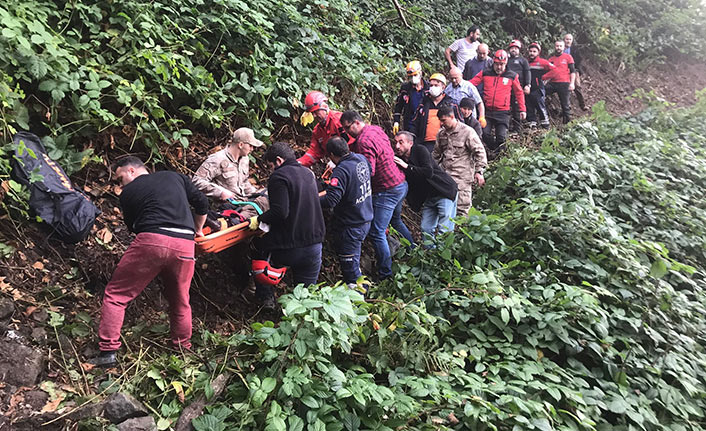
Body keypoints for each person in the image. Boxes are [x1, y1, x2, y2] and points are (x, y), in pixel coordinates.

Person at [90, 157, 208, 367]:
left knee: (116, 295)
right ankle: (182, 352)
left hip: (151, 240)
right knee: (180, 300)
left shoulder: (129, 193)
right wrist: (198, 229)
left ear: (132, 170)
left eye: (121, 178)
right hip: (185, 244)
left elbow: (133, 227)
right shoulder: (175, 177)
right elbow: (202, 203)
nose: (121, 184)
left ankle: (108, 353)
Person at [249, 142, 325, 310]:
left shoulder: (279, 177)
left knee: (258, 249)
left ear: (278, 160)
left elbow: (280, 212)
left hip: (290, 245)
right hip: (315, 244)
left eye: (270, 166)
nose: (271, 170)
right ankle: (300, 325)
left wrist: (259, 219)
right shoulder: (308, 173)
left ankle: (265, 298)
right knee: (306, 297)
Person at [339, 111, 413, 280]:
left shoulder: (363, 142)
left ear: (357, 123)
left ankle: (385, 274)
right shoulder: (375, 129)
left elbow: (368, 171)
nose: (347, 132)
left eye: (348, 127)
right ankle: (414, 251)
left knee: (376, 232)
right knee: (395, 220)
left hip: (387, 189)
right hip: (400, 183)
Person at [319, 137, 373, 286]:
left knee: (350, 268)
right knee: (353, 260)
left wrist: (309, 201)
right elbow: (369, 173)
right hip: (365, 217)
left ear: (331, 154)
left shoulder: (341, 171)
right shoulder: (360, 159)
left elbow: (331, 200)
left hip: (352, 226)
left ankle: (359, 300)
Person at [393, 131, 458, 242]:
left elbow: (428, 172)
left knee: (444, 230)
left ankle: (444, 257)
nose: (397, 146)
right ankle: (431, 255)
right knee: (425, 229)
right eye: (395, 143)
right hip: (429, 197)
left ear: (410, 143)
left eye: (401, 142)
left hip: (443, 191)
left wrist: (407, 167)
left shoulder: (420, 150)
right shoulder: (400, 159)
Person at [192, 127, 269, 218]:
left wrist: (257, 192)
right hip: (228, 207)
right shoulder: (217, 159)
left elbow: (244, 183)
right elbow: (196, 181)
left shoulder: (245, 159)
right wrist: (220, 192)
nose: (252, 149)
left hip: (245, 202)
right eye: (250, 146)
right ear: (240, 145)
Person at [433, 106, 487, 217]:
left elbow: (480, 152)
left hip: (462, 177)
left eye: (444, 120)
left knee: (462, 210)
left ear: (452, 117)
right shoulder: (441, 134)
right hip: (445, 177)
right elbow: (436, 154)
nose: (442, 123)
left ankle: (462, 233)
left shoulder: (467, 132)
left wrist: (479, 172)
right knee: (445, 210)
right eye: (440, 121)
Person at [470, 50, 526, 154]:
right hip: (487, 111)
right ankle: (494, 150)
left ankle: (500, 156)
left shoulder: (512, 75)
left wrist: (522, 109)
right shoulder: (485, 73)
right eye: (497, 64)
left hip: (503, 112)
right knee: (484, 134)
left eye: (502, 64)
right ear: (493, 62)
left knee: (501, 137)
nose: (499, 67)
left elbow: (519, 93)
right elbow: (471, 84)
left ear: (506, 63)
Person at [297, 91, 351, 167]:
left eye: (316, 112)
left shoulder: (339, 120)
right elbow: (314, 153)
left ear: (324, 107)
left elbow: (353, 143)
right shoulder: (317, 131)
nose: (314, 116)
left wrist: (339, 159)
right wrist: (298, 163)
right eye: (312, 113)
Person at [410, 73, 461, 153]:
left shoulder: (451, 104)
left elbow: (460, 124)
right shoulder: (424, 102)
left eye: (436, 85)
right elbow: (415, 123)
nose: (433, 88)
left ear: (443, 87)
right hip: (426, 143)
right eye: (431, 85)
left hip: (447, 143)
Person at [393, 60, 429, 134]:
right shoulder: (405, 88)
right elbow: (398, 106)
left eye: (415, 75)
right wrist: (396, 121)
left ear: (421, 73)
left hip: (424, 123)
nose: (413, 78)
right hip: (409, 123)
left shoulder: (428, 88)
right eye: (410, 76)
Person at [545, 40, 576, 124]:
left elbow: (573, 71)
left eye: (560, 46)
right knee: (540, 92)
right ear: (555, 47)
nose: (558, 48)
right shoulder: (551, 59)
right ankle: (544, 116)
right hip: (553, 83)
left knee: (565, 105)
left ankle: (567, 125)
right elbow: (547, 72)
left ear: (563, 47)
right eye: (557, 46)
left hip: (564, 83)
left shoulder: (568, 57)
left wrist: (572, 83)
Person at [526, 42, 554, 128]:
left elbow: (554, 70)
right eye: (530, 51)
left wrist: (544, 77)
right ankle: (532, 123)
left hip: (538, 88)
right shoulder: (526, 62)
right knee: (529, 106)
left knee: (540, 105)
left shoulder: (542, 62)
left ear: (538, 52)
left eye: (534, 51)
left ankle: (545, 124)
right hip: (528, 88)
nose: (532, 53)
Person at [507, 40, 531, 132]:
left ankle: (517, 128)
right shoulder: (507, 60)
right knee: (507, 107)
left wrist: (527, 85)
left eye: (516, 48)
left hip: (519, 87)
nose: (514, 50)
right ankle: (507, 126)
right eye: (512, 48)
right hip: (507, 87)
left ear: (519, 50)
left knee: (517, 108)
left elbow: (527, 72)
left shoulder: (523, 60)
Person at [563, 33, 587, 110]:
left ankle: (582, 105)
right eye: (567, 39)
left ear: (572, 40)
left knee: (577, 86)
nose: (568, 41)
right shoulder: (561, 48)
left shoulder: (574, 49)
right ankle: (567, 106)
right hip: (563, 70)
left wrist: (575, 67)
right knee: (565, 87)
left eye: (569, 39)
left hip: (574, 69)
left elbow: (579, 59)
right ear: (564, 40)